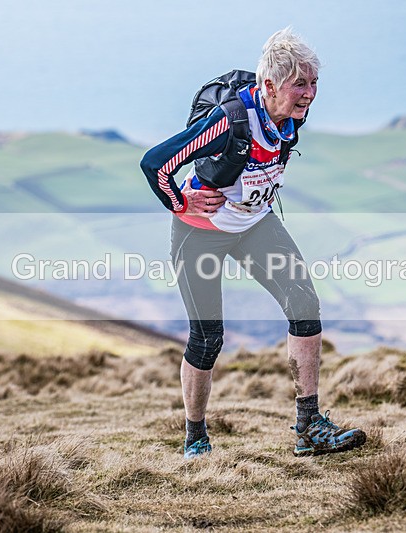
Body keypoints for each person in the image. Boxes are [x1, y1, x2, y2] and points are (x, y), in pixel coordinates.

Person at [140, 28, 366, 459]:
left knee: (305, 306)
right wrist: (180, 199)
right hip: (199, 233)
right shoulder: (229, 121)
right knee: (208, 338)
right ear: (268, 86)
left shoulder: (289, 115)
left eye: (314, 83)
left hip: (253, 225)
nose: (310, 94)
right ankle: (195, 436)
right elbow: (155, 163)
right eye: (300, 84)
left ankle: (309, 427)